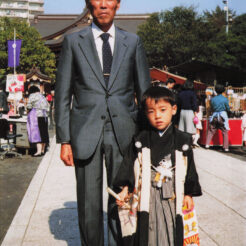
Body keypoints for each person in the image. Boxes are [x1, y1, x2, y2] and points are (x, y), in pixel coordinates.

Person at [55, 0, 150, 245]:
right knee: (88, 201)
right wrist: (64, 139)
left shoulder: (133, 42)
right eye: (98, 0)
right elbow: (63, 93)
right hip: (85, 131)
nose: (104, 5)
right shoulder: (73, 42)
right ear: (89, 5)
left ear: (118, 4)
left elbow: (144, 92)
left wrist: (146, 137)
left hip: (124, 132)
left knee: (122, 197)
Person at [114, 86, 202, 246]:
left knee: (172, 227)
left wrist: (189, 193)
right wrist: (125, 188)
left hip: (173, 194)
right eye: (151, 111)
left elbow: (190, 168)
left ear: (174, 110)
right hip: (148, 194)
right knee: (148, 229)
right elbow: (129, 164)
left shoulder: (182, 139)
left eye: (163, 110)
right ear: (146, 114)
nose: (158, 116)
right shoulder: (140, 140)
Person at [205, 84, 230, 152]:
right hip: (223, 116)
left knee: (211, 130)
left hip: (215, 115)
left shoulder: (212, 99)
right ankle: (226, 147)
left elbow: (212, 108)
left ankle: (207, 144)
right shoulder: (225, 99)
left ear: (216, 90)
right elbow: (228, 108)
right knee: (225, 131)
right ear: (223, 91)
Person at [27, 86, 49, 157]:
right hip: (44, 116)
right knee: (44, 133)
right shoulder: (43, 96)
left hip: (36, 116)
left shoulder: (32, 96)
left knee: (37, 133)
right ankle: (43, 150)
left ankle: (38, 151)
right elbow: (47, 106)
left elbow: (29, 106)